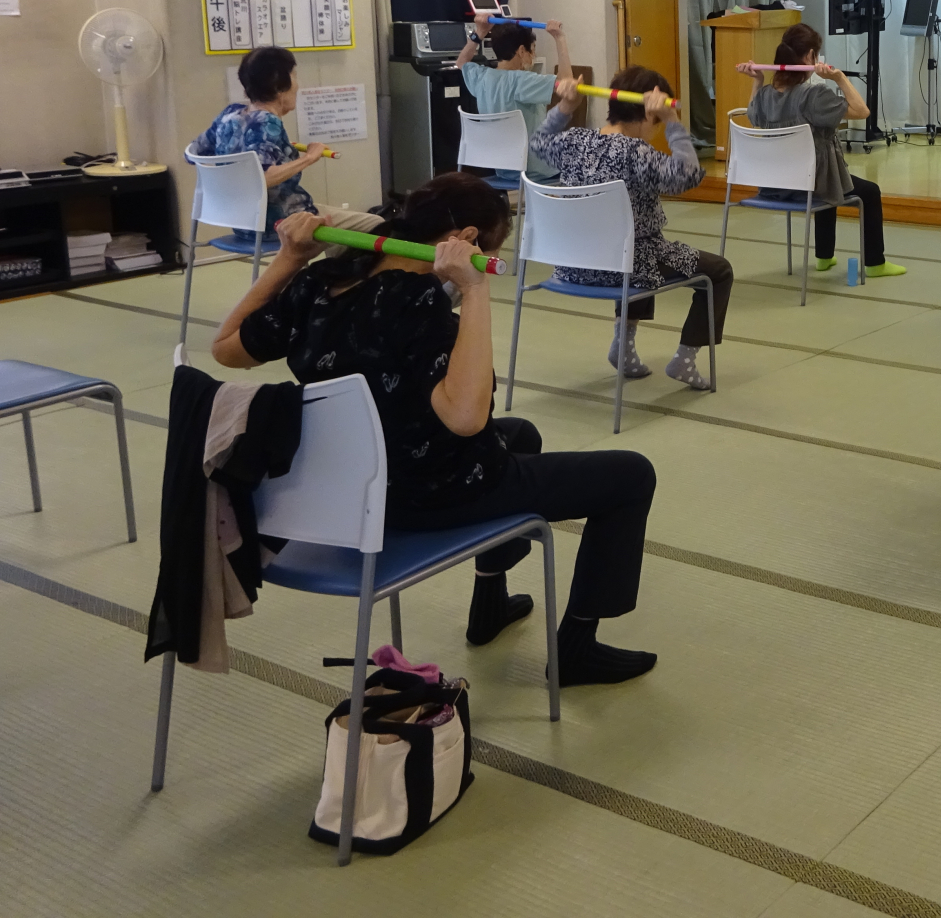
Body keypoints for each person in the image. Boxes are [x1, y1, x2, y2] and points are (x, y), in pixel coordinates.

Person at [209, 174, 660, 687]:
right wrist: (474, 290)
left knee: (521, 434)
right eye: (491, 247)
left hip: (354, 489)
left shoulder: (319, 281)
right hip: (428, 494)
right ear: (465, 240)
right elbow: (466, 419)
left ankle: (489, 602)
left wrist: (290, 258)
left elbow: (225, 348)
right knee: (630, 475)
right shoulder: (419, 302)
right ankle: (578, 649)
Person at [531, 67, 732, 388]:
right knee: (718, 271)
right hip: (625, 266)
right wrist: (673, 121)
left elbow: (538, 142)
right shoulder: (637, 153)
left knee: (639, 246)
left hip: (571, 265)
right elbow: (689, 175)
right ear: (650, 114)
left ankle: (623, 348)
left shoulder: (574, 141)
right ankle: (685, 359)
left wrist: (565, 106)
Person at [739, 22, 907, 278]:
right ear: (810, 56)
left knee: (827, 177)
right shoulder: (814, 95)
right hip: (810, 186)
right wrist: (839, 77)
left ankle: (824, 257)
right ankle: (875, 263)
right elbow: (862, 111)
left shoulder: (763, 95)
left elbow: (752, 116)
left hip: (776, 186)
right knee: (866, 191)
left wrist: (758, 81)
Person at [188, 45, 328, 243]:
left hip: (242, 224)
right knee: (367, 225)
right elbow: (261, 177)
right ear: (280, 85)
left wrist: (229, 169)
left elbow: (193, 153)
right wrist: (310, 158)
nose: (297, 85)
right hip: (281, 224)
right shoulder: (267, 123)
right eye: (294, 76)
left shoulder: (230, 115)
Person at [454, 15, 573, 182]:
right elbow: (568, 85)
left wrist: (479, 32)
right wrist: (559, 38)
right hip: (538, 170)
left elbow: (461, 62)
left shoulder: (482, 78)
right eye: (533, 49)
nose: (534, 55)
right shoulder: (522, 80)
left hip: (504, 170)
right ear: (522, 51)